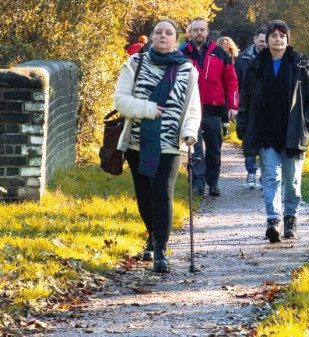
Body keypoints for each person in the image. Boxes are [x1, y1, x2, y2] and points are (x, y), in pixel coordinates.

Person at [113, 19, 201, 273]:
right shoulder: (135, 64)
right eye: (159, 32)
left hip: (172, 143)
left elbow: (193, 106)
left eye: (169, 33)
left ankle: (161, 250)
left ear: (176, 40)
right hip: (138, 142)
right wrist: (150, 109)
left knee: (163, 191)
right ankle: (152, 234)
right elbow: (121, 101)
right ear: (152, 37)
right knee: (144, 194)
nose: (163, 36)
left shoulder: (187, 70)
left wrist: (189, 133)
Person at [236, 20, 309, 242]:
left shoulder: (301, 64)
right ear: (267, 39)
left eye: (281, 36)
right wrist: (244, 126)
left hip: (293, 132)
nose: (277, 39)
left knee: (292, 180)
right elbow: (245, 99)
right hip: (266, 131)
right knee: (270, 177)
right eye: (273, 35)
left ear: (287, 39)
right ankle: (273, 220)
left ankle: (291, 218)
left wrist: (307, 127)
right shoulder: (255, 65)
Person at [180, 18, 238, 198]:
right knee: (194, 148)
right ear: (190, 32)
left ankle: (213, 182)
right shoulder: (181, 54)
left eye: (202, 30)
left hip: (214, 109)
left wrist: (233, 105)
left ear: (207, 32)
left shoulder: (220, 53)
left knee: (214, 148)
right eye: (195, 30)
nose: (199, 33)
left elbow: (231, 81)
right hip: (190, 108)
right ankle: (197, 184)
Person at [233, 27, 267, 188]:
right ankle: (251, 172)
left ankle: (266, 175)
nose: (264, 44)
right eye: (261, 41)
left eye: (266, 41)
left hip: (268, 108)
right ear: (255, 40)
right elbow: (236, 84)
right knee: (249, 140)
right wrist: (236, 106)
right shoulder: (242, 60)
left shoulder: (274, 59)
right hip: (248, 106)